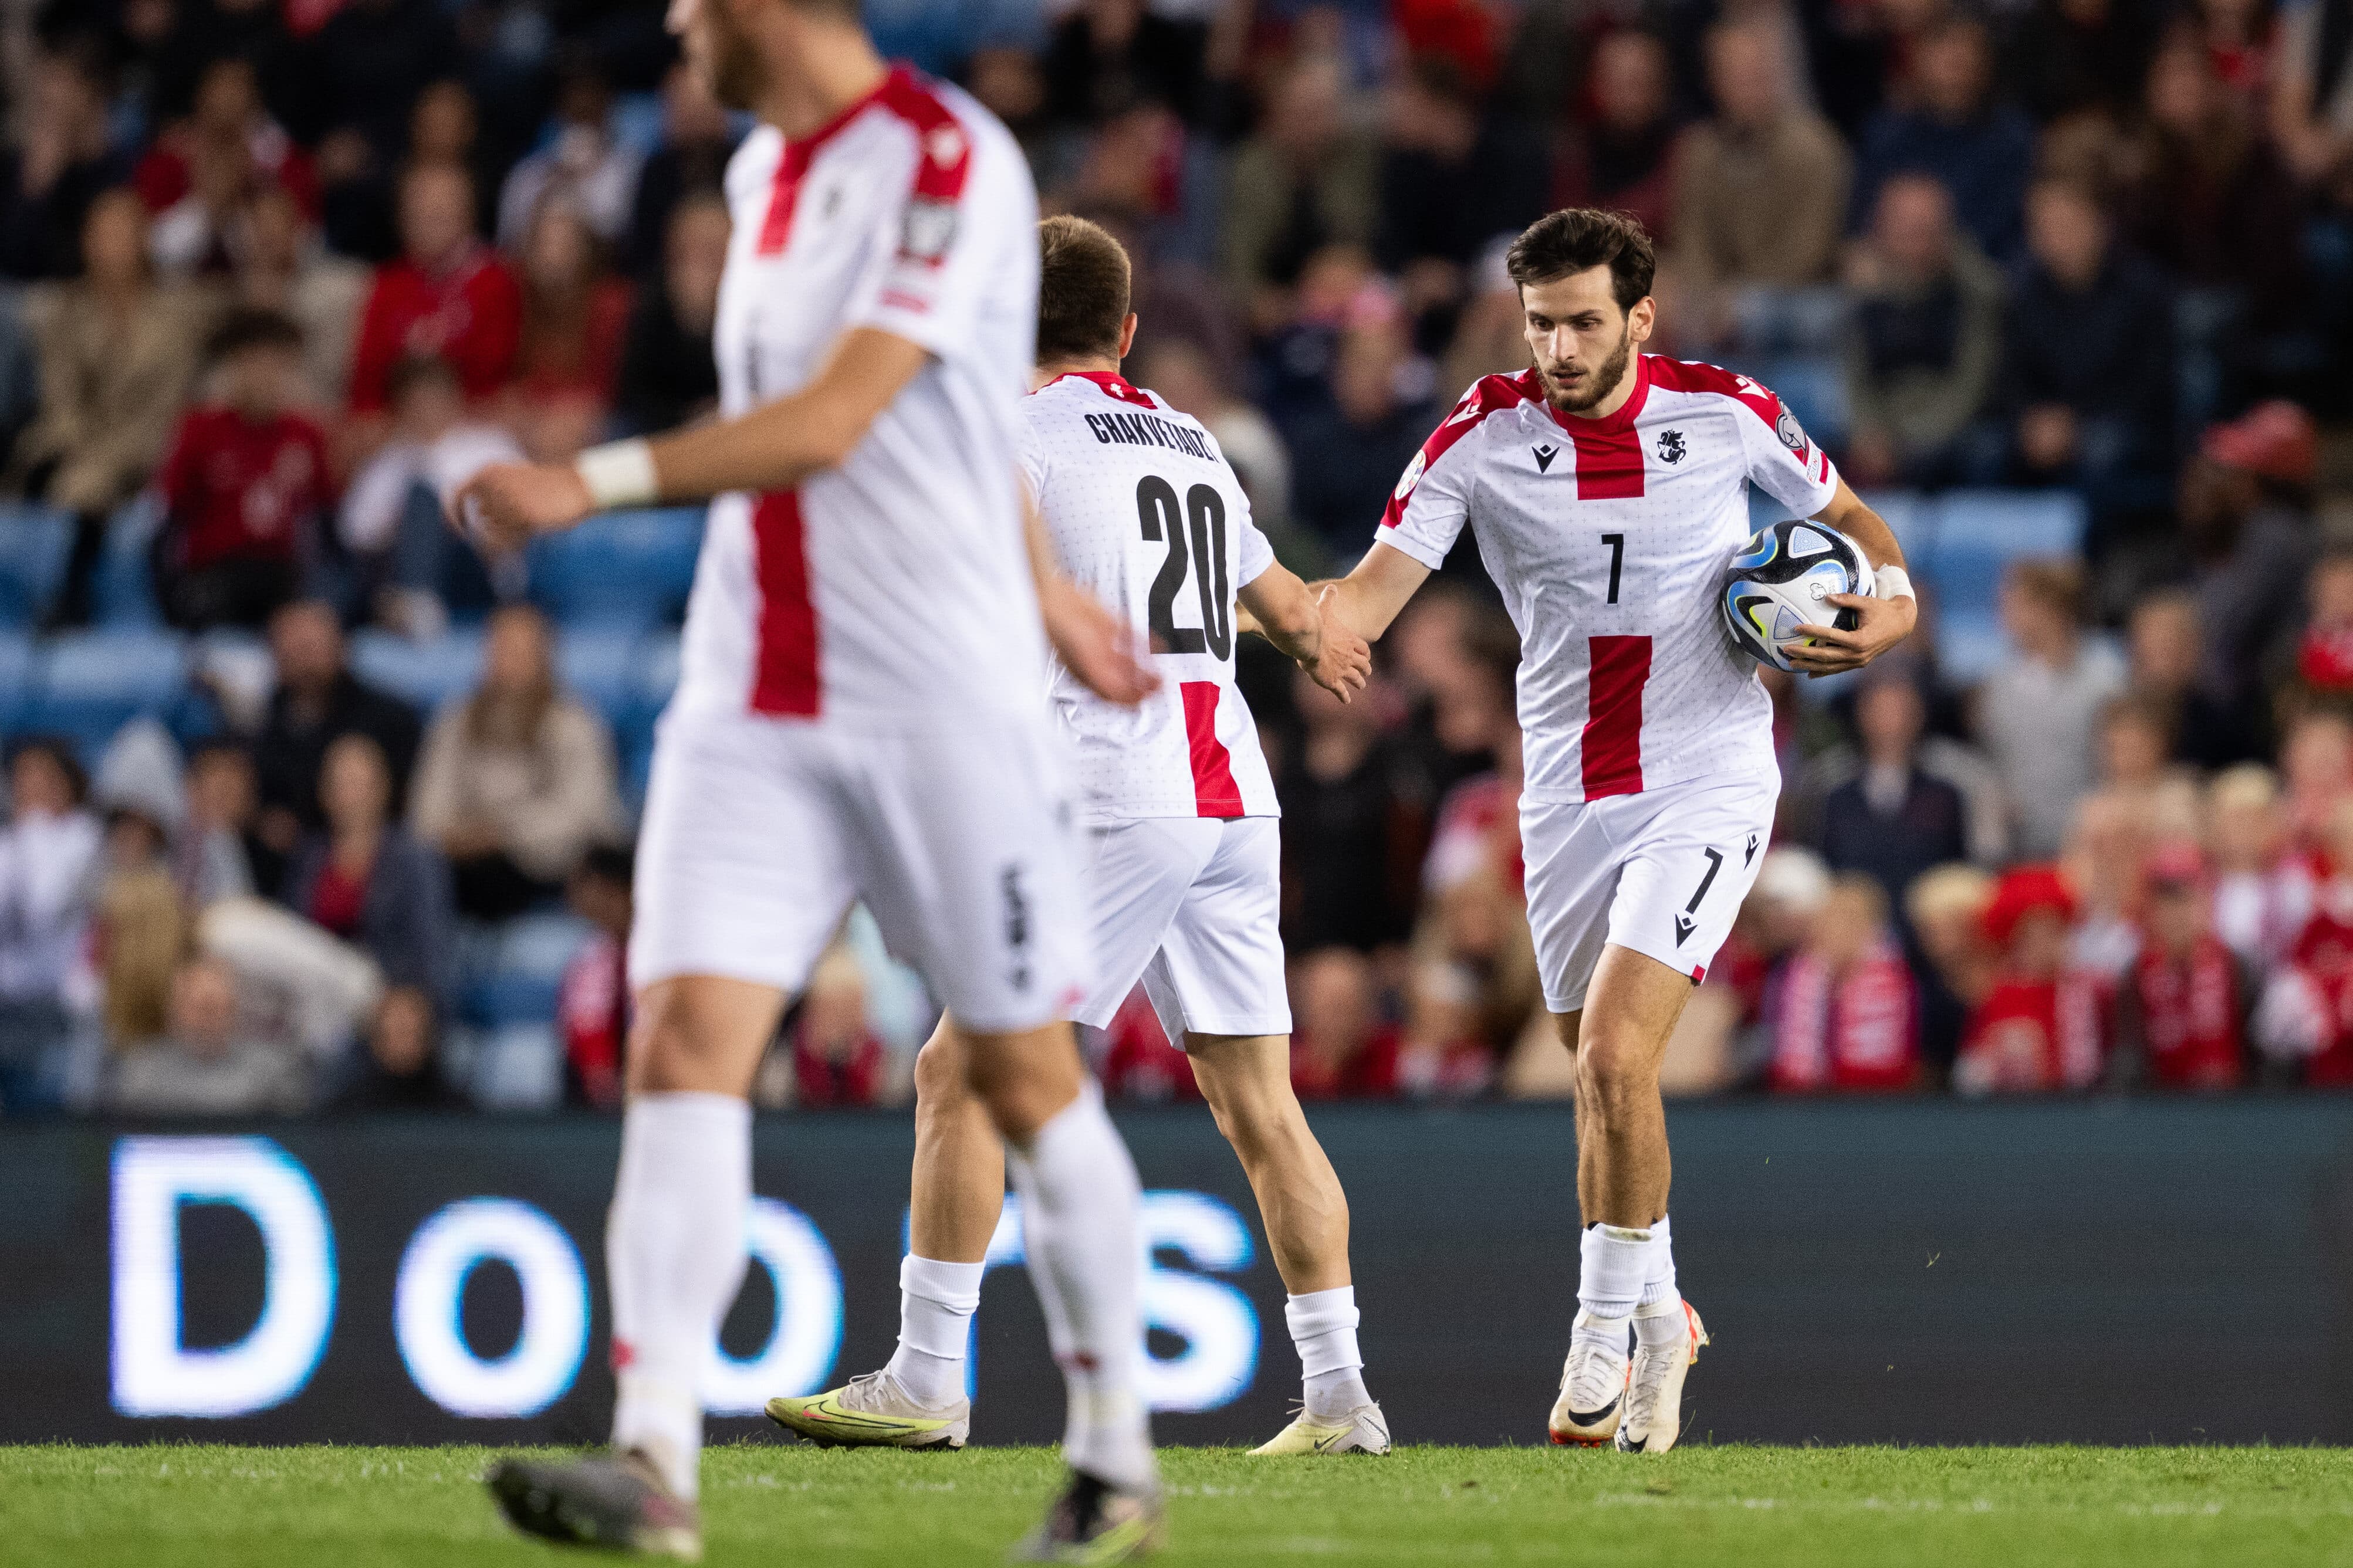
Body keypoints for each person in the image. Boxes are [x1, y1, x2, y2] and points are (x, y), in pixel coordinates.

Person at [452, 0, 1168, 1554]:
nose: (674, 24)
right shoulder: (766, 169)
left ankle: (1115, 1457)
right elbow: (958, 423)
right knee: (682, 1037)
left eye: (696, 2)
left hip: (935, 700)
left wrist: (590, 481)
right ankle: (653, 1464)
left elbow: (845, 418)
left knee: (1026, 1075)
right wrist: (1057, 590)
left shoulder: (944, 161)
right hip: (750, 689)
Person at [767, 216, 1384, 1461]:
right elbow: (1283, 610)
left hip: (1114, 785)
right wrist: (1326, 635)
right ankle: (1339, 1394)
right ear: (1129, 332)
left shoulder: (1017, 437)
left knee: (959, 1069)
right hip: (1230, 798)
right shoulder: (1195, 439)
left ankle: (929, 1375)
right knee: (1259, 1101)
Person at [1314, 208, 1918, 1454]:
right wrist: (1287, 610)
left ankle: (1594, 1344)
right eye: (1541, 323)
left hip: (1706, 774)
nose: (1560, 346)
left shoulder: (1728, 409)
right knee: (1597, 1090)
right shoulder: (1477, 438)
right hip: (1566, 801)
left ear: (1642, 315)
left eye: (1586, 321)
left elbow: (1864, 530)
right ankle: (1662, 1315)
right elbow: (1368, 595)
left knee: (1609, 1059)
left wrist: (1892, 614)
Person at [408, 604, 623, 919]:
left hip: (543, 865)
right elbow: (427, 810)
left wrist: (502, 833)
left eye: (522, 652)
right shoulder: (455, 722)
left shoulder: (575, 725)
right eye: (501, 650)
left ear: (545, 658)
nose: (508, 663)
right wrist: (457, 837)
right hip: (462, 864)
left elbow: (584, 814)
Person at [152, 308, 333, 630]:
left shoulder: (306, 434)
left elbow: (326, 518)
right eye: (252, 364)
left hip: (283, 573)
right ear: (233, 369)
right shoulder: (199, 430)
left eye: (274, 365)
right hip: (217, 572)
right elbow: (169, 518)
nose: (263, 376)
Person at [251, 600, 424, 858]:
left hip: (378, 855)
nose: (304, 663)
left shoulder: (390, 718)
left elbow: (411, 804)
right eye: (293, 651)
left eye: (311, 649)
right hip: (288, 862)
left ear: (341, 647)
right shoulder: (263, 722)